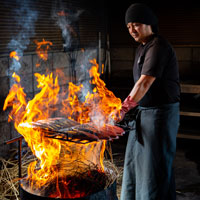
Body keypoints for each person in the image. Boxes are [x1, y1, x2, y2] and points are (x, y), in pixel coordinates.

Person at [118, 3, 180, 200]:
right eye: (128, 27)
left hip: (160, 116)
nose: (132, 30)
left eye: (136, 24)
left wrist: (123, 108)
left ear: (149, 23)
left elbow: (144, 83)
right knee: (134, 165)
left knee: (154, 169)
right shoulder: (142, 48)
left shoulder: (159, 46)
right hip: (143, 115)